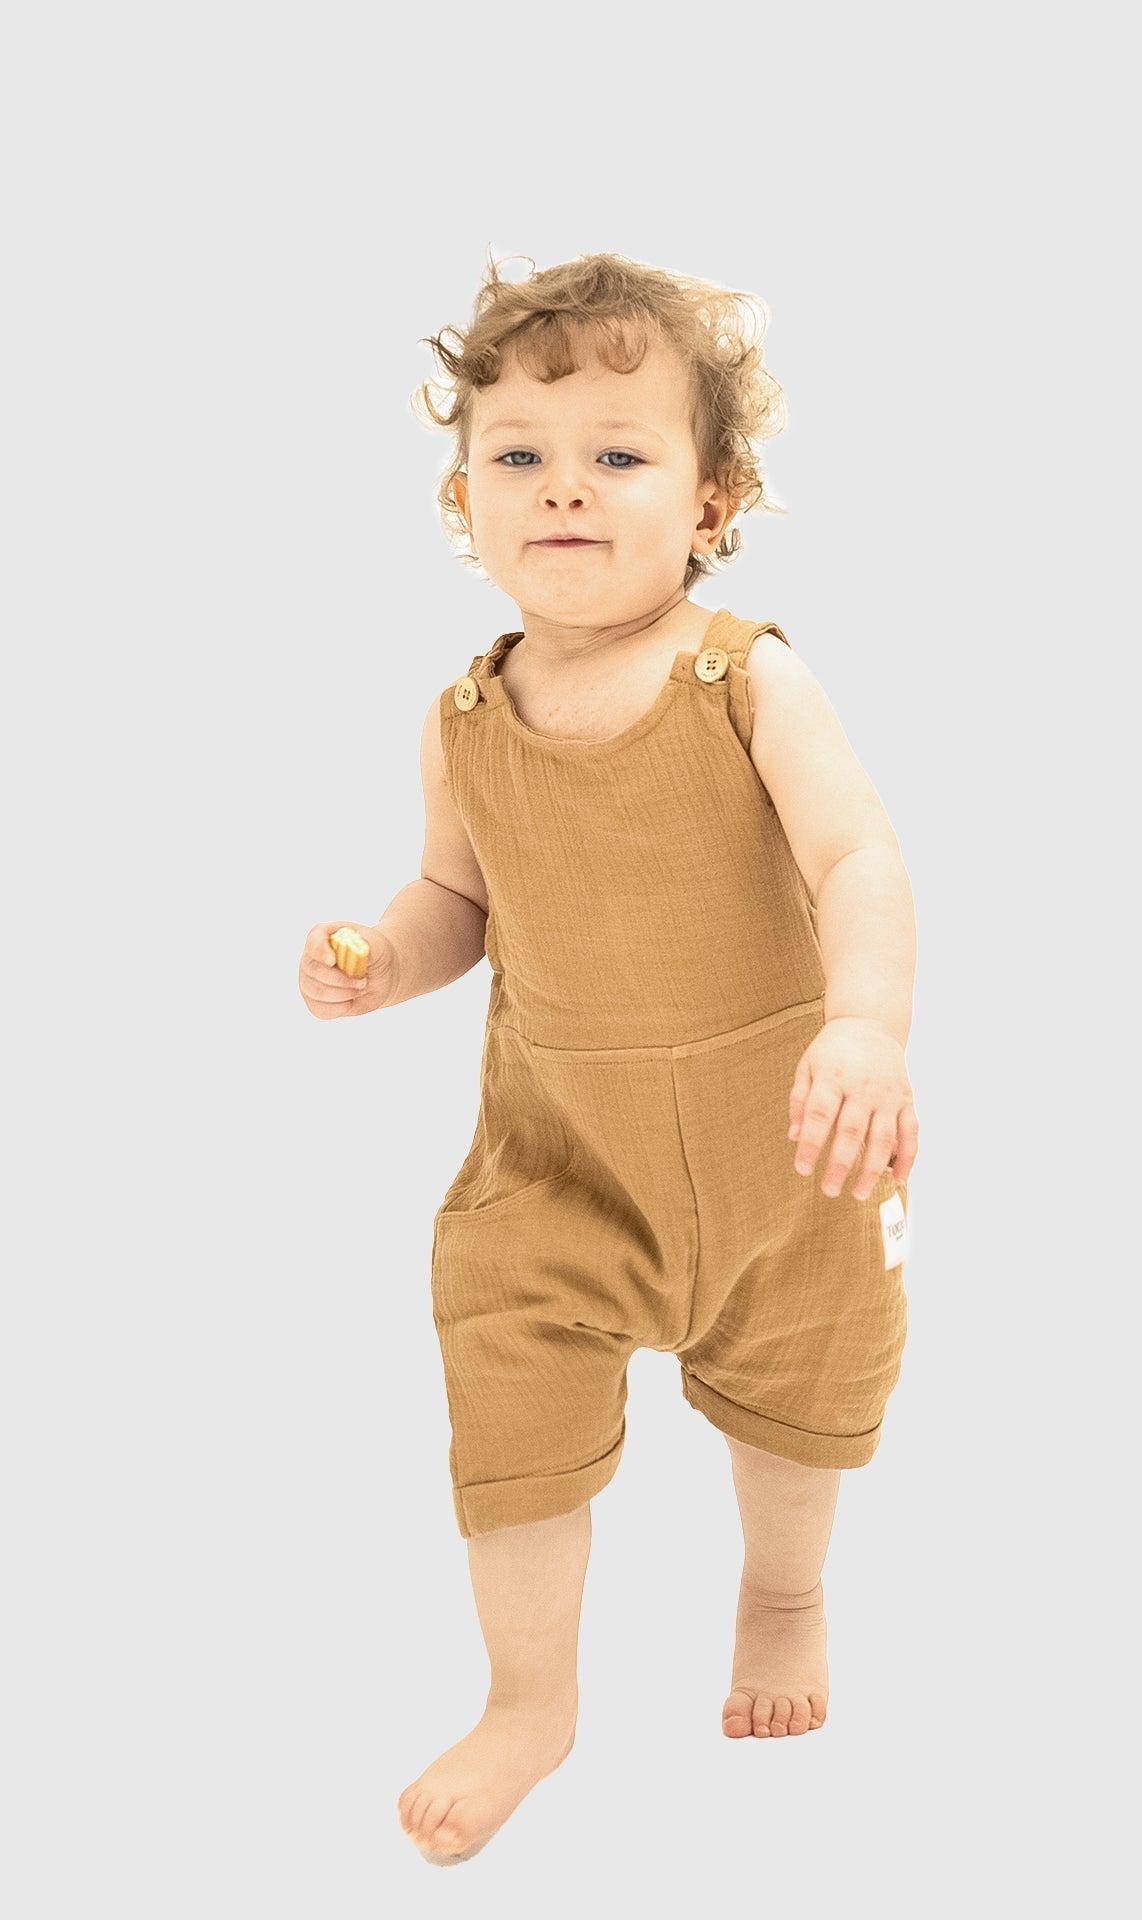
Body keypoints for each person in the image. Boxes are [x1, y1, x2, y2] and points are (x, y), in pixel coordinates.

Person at [298, 250, 919, 1869]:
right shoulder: (464, 719)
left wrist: (866, 1027)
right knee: (506, 1397)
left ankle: (783, 1597)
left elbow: (858, 857)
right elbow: (456, 900)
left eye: (617, 455)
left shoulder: (747, 677)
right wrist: (385, 959)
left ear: (712, 501)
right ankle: (531, 1700)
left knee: (802, 1394)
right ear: (465, 498)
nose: (563, 488)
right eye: (519, 455)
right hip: (560, 1158)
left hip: (785, 1143)